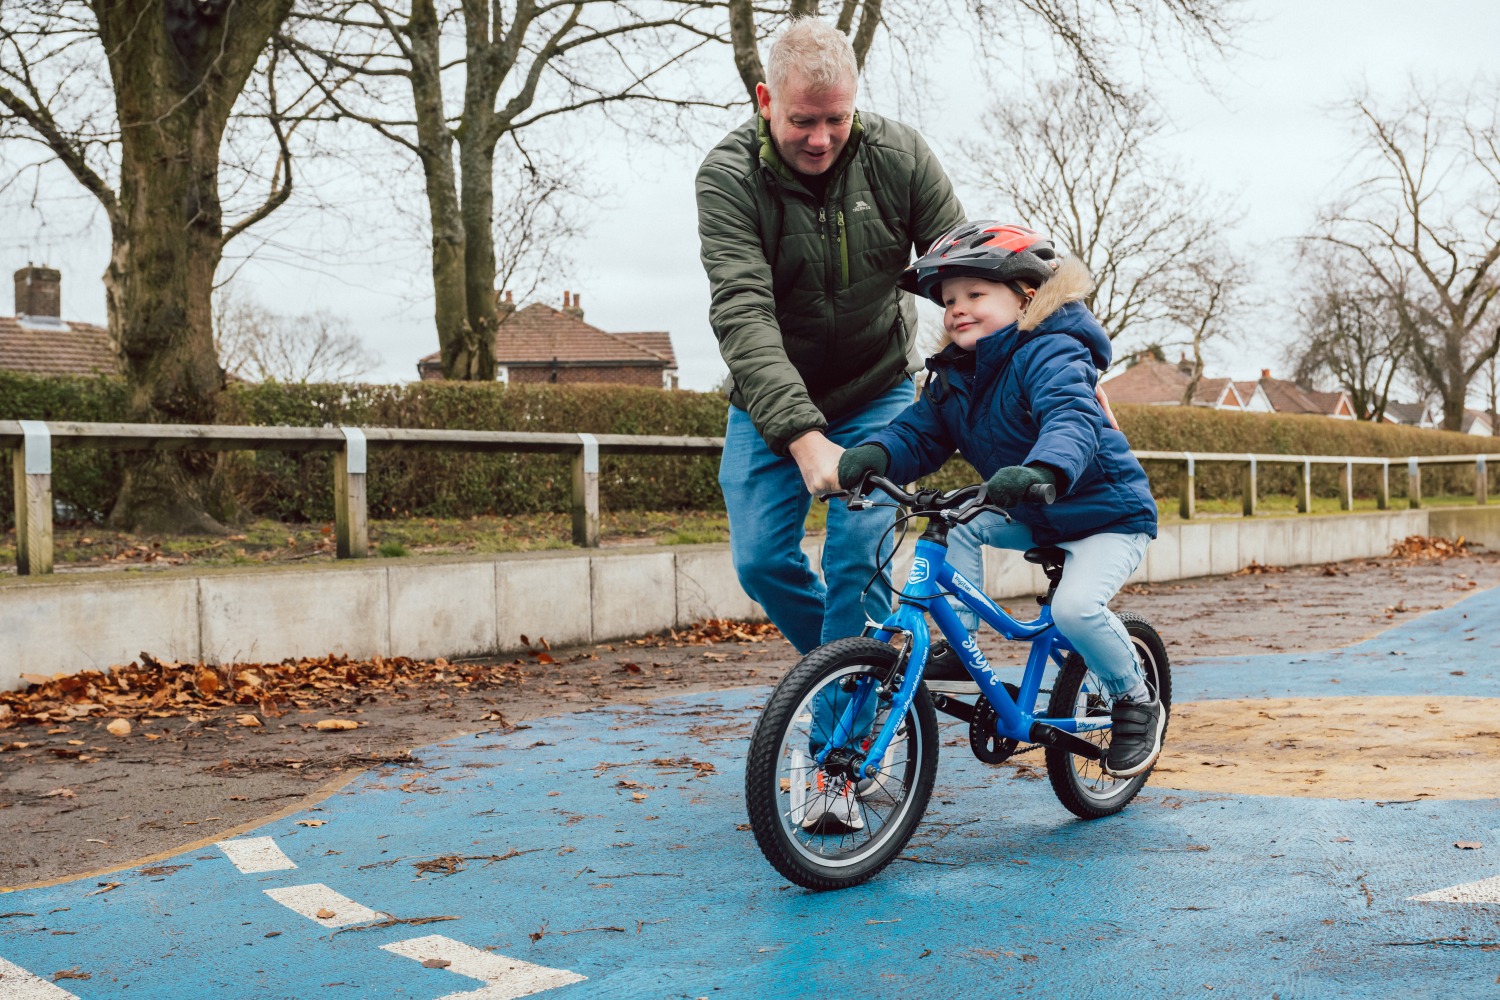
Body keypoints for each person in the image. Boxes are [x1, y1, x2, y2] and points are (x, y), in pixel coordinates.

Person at [837, 221, 1165, 777]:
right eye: (948, 300)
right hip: (1038, 511)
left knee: (1075, 609)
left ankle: (1135, 699)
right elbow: (920, 432)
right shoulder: (954, 377)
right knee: (957, 524)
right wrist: (879, 453)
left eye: (975, 295)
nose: (957, 309)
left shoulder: (1052, 351)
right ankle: (960, 635)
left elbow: (1071, 418)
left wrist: (1044, 468)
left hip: (1106, 515)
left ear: (1026, 296)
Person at [695, 18, 966, 663]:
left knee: (855, 558)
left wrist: (1054, 362)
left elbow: (966, 273)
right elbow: (743, 310)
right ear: (766, 102)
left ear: (855, 100)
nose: (821, 140)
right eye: (801, 121)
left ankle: (846, 728)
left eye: (836, 120)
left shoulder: (900, 160)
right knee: (760, 561)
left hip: (878, 387)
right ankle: (861, 664)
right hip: (770, 400)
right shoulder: (728, 179)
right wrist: (802, 437)